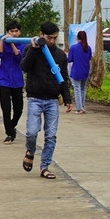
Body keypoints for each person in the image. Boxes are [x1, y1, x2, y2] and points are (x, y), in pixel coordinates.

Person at [18, 22, 72, 180]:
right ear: (41, 34)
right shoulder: (30, 49)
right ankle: (30, 151)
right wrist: (34, 49)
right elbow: (24, 67)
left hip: (52, 100)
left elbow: (63, 79)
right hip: (35, 98)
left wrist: (67, 99)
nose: (52, 41)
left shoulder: (60, 55)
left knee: (51, 136)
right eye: (49, 38)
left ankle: (45, 167)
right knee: (32, 133)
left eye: (55, 38)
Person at [0, 21, 25, 143]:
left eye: (16, 31)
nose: (14, 33)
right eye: (11, 31)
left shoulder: (23, 44)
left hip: (17, 80)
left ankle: (11, 126)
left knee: (18, 108)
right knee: (6, 108)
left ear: (19, 32)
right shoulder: (3, 42)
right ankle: (9, 133)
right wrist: (3, 41)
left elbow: (19, 57)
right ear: (7, 32)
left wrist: (13, 44)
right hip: (4, 80)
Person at [68, 29, 93, 114]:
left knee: (77, 89)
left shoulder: (74, 48)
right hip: (85, 70)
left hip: (76, 71)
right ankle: (82, 106)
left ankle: (79, 108)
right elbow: (89, 58)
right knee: (83, 89)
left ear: (77, 38)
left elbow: (69, 59)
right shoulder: (88, 48)